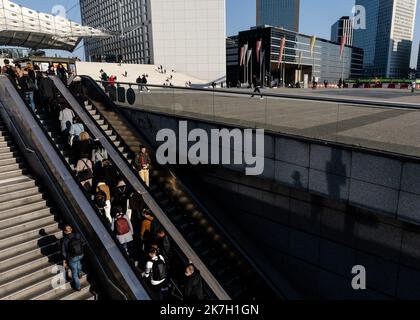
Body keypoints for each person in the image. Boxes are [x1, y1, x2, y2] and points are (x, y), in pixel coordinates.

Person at [61, 225, 84, 291]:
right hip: (81, 254)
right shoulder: (77, 235)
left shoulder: (64, 240)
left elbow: (63, 252)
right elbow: (82, 242)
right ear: (71, 229)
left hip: (72, 257)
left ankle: (78, 287)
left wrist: (65, 260)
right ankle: (80, 272)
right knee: (78, 262)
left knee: (74, 273)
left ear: (65, 232)